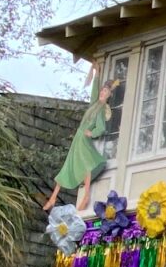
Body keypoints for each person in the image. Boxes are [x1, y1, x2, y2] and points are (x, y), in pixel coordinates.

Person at [42, 79, 119, 212]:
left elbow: (101, 128)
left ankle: (85, 196)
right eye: (102, 90)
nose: (102, 92)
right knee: (69, 164)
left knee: (87, 164)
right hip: (78, 138)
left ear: (109, 95)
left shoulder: (100, 109)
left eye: (105, 91)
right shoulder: (94, 104)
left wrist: (92, 133)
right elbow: (95, 90)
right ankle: (53, 197)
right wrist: (96, 72)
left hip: (83, 138)